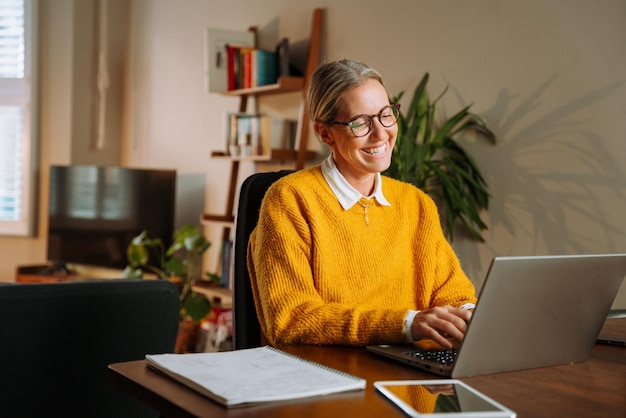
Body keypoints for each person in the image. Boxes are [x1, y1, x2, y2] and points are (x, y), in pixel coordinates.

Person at [247, 59, 476, 348]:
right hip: (329, 380)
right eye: (360, 122)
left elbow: (454, 295)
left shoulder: (416, 203)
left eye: (385, 115)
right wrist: (406, 325)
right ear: (325, 133)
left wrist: (470, 316)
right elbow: (290, 318)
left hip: (411, 380)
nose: (381, 133)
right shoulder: (290, 199)